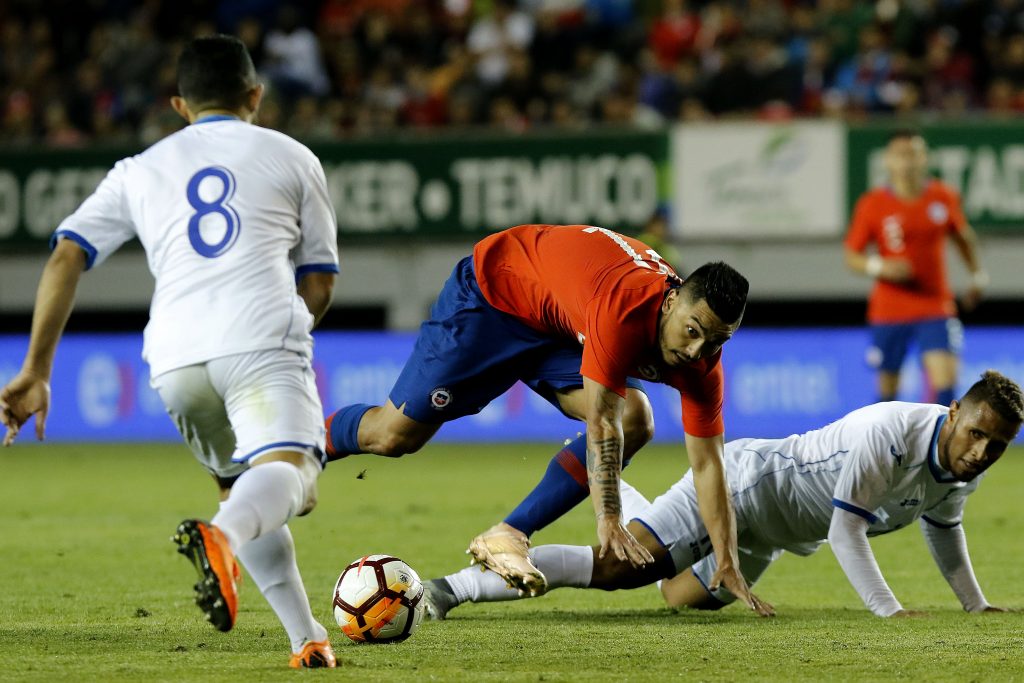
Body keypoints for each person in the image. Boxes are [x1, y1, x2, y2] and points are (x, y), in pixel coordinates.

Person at [0, 36, 340, 669]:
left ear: (180, 105)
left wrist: (35, 371)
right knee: (295, 476)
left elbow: (67, 254)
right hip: (261, 335)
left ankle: (306, 638)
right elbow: (318, 283)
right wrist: (289, 333)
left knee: (238, 485)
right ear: (255, 96)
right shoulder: (294, 157)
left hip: (175, 356)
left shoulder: (139, 168)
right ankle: (223, 538)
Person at [324, 223, 772, 616]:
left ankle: (508, 534)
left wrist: (727, 557)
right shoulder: (626, 306)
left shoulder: (701, 365)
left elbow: (709, 464)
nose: (697, 351)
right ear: (672, 300)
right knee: (393, 436)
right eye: (693, 331)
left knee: (637, 417)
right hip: (493, 297)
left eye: (715, 342)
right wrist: (609, 516)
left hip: (555, 326)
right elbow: (600, 422)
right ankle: (301, 442)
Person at [422, 371, 1022, 619]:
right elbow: (847, 530)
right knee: (619, 571)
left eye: (996, 446)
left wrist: (975, 605)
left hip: (774, 531)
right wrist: (890, 612)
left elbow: (944, 527)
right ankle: (451, 590)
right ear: (951, 414)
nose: (980, 453)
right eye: (975, 434)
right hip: (742, 490)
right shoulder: (890, 432)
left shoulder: (962, 467)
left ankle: (617, 484)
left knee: (683, 598)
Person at [844, 129, 988, 406]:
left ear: (924, 158)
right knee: (887, 393)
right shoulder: (872, 204)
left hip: (935, 305)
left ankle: (936, 447)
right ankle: (887, 448)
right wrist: (881, 266)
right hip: (889, 309)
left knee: (946, 382)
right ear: (887, 160)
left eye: (913, 154)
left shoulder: (943, 197)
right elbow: (852, 255)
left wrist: (977, 275)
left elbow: (962, 237)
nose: (907, 162)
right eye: (900, 155)